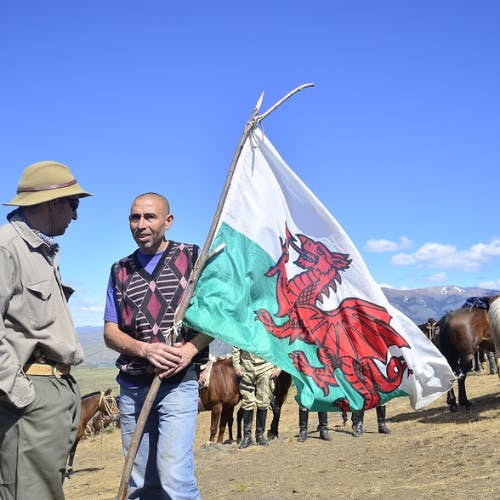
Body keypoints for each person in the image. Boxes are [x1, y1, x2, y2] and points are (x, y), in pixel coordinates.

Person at [103, 192, 212, 499]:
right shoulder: (119, 270)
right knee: (140, 483)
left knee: (175, 477)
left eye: (149, 217)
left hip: (177, 385)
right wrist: (145, 349)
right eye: (134, 217)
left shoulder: (191, 257)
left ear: (168, 221)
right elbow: (110, 333)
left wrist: (189, 351)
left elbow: (215, 316)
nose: (141, 224)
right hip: (133, 388)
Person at [0, 161, 92, 499]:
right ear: (54, 203)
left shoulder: (41, 251)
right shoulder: (7, 247)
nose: (76, 215)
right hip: (30, 393)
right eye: (74, 204)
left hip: (55, 389)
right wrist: (21, 394)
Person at [232, 346, 280, 448]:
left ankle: (260, 435)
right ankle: (247, 437)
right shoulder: (244, 329)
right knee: (247, 401)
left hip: (266, 366)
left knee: (263, 401)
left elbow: (276, 342)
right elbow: (236, 343)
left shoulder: (269, 328)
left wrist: (278, 366)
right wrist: (236, 365)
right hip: (246, 366)